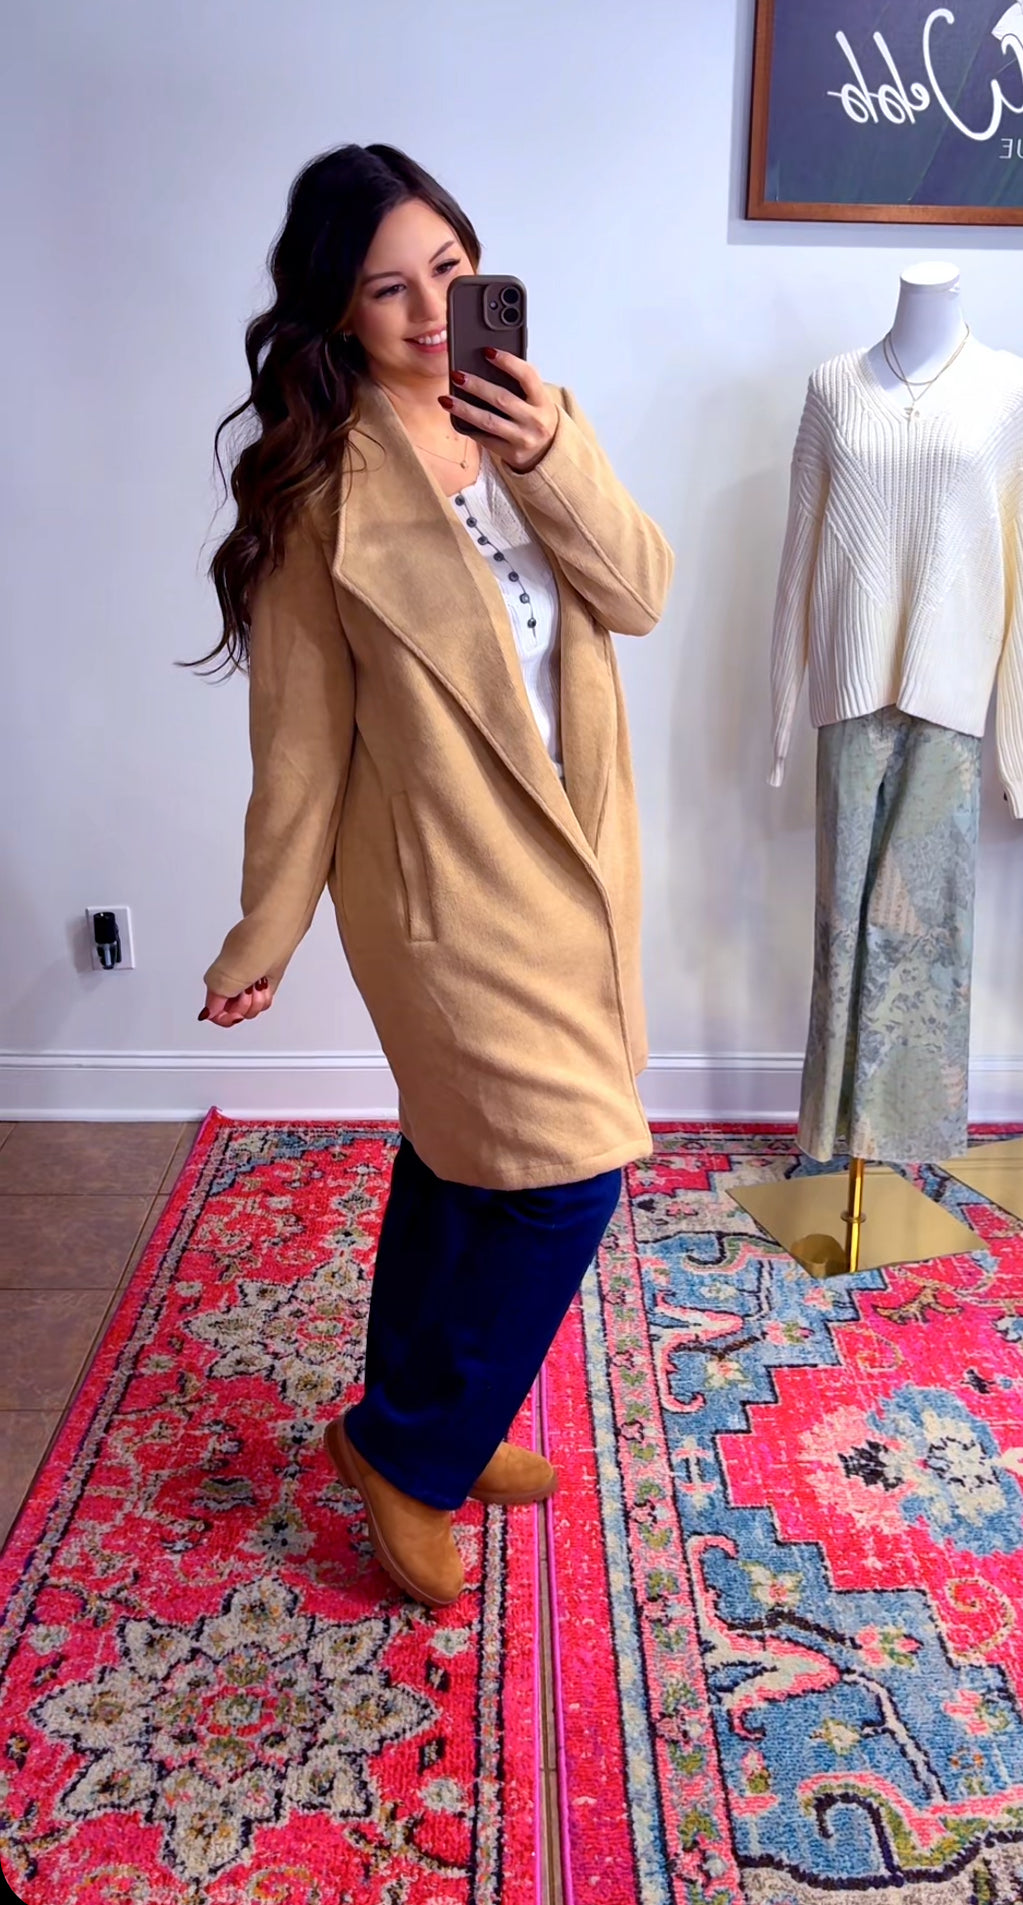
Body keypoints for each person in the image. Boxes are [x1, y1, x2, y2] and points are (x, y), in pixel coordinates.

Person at [194, 143, 673, 1609]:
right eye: (385, 289)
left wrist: (549, 452)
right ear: (336, 311)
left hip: (578, 861)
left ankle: (398, 1417)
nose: (423, 314)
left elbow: (639, 595)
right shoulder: (317, 494)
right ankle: (415, 1454)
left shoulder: (534, 419)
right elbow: (299, 744)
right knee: (567, 1175)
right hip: (444, 892)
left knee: (463, 1162)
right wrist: (262, 930)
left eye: (448, 275)